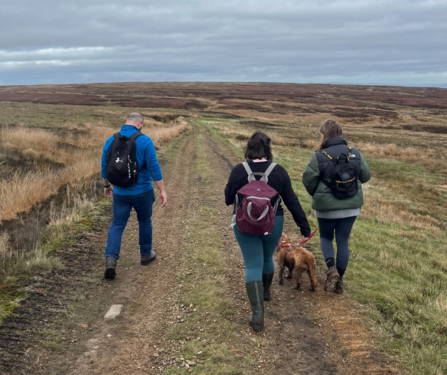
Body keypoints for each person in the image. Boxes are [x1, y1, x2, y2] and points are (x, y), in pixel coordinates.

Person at [225, 131, 311, 331]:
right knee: (266, 260)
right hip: (274, 223)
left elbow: (228, 199)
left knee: (252, 264)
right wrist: (304, 227)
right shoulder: (278, 171)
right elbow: (291, 200)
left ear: (248, 148)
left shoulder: (239, 170)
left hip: (244, 223)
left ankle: (257, 315)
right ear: (268, 150)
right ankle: (265, 293)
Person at [302, 119, 371, 294]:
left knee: (325, 238)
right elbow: (366, 176)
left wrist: (317, 195)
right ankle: (339, 282)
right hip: (351, 207)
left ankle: (331, 268)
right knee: (343, 241)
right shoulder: (355, 153)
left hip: (326, 208)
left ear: (324, 135)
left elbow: (308, 181)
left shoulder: (319, 156)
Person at [101, 112, 167, 279]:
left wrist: (107, 186)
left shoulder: (111, 140)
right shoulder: (145, 141)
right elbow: (153, 166)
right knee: (144, 221)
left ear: (126, 122)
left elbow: (104, 165)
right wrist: (162, 190)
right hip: (143, 192)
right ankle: (145, 255)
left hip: (120, 193)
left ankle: (111, 260)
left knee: (117, 224)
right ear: (139, 124)